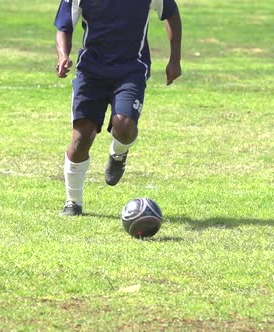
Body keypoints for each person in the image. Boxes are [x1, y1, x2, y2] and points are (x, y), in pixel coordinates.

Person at [54, 0, 183, 216]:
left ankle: (118, 153)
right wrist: (63, 55)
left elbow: (171, 13)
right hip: (91, 71)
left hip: (131, 69)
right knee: (81, 139)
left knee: (123, 126)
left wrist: (175, 60)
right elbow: (64, 27)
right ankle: (73, 202)